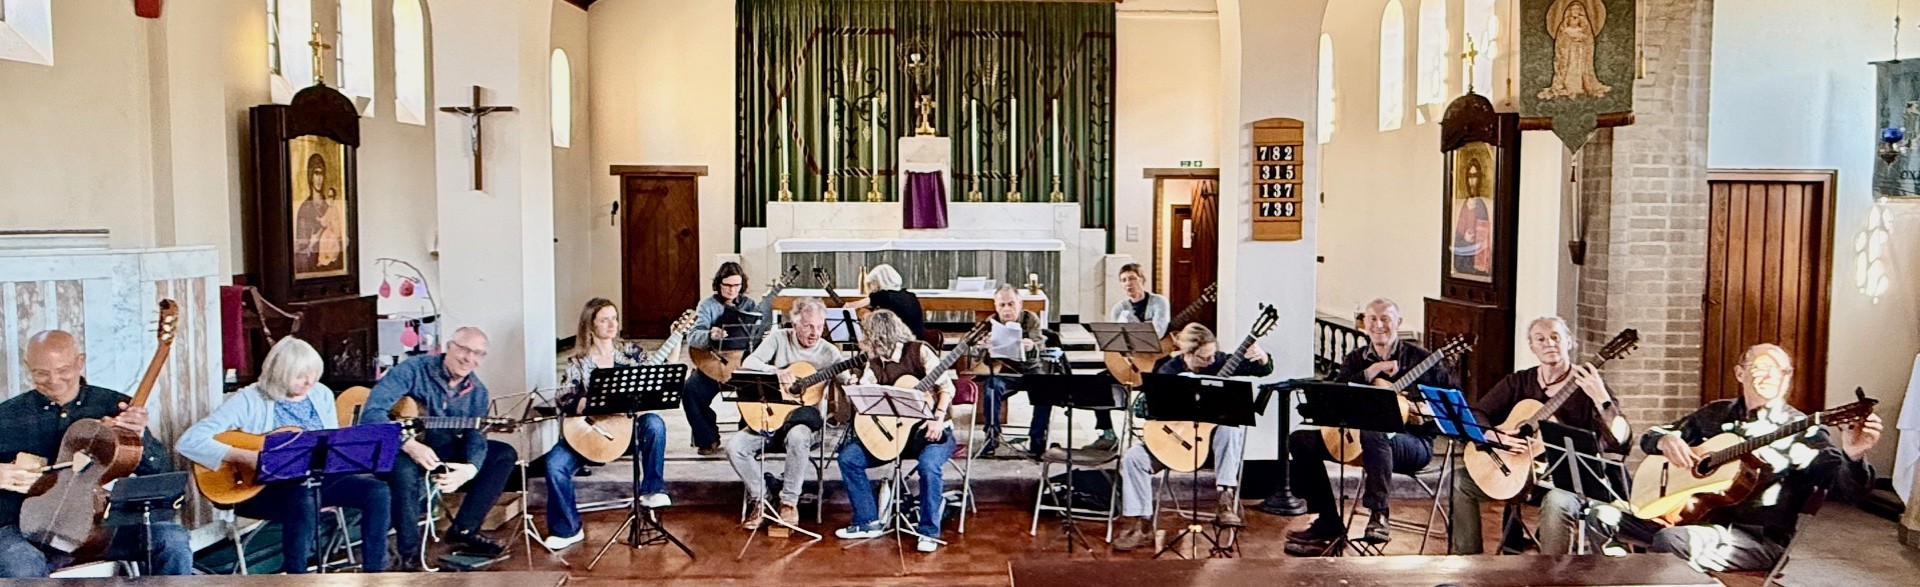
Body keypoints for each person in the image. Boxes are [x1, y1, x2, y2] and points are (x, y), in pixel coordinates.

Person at [1617, 344, 1882, 572]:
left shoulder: (1805, 431)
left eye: (1781, 370)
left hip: (1754, 539)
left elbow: (1845, 490)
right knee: (1602, 516)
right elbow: (1652, 435)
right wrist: (1664, 440)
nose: (1771, 375)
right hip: (1689, 520)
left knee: (1672, 540)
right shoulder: (1716, 413)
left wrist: (1854, 456)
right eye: (1761, 366)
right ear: (1740, 373)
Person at [178, 337, 395, 572]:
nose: (309, 381)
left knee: (377, 491)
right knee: (302, 499)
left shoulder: (320, 393)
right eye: (301, 376)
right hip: (262, 488)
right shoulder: (249, 399)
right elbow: (188, 441)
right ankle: (296, 577)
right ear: (279, 373)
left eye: (313, 373)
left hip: (315, 480)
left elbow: (331, 442)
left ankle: (375, 573)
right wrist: (245, 456)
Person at [0, 331, 193, 577]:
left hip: (104, 526)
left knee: (172, 541)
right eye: (41, 373)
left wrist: (138, 437)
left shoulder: (115, 405)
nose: (54, 380)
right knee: (19, 564)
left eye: (63, 370)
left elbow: (161, 473)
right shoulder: (6, 415)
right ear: (28, 366)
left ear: (80, 361)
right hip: (28, 530)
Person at [1278, 298, 1452, 551]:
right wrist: (1371, 372)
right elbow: (1333, 396)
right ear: (1364, 324)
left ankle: (1378, 515)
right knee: (1299, 440)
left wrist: (1420, 410)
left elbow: (1451, 405)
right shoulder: (1356, 359)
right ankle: (1327, 520)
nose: (1379, 325)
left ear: (1399, 323)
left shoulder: (1424, 360)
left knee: (1375, 433)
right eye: (1373, 319)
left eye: (1386, 319)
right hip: (1357, 441)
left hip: (1413, 443)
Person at [1448, 317, 1629, 555]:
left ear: (1569, 342)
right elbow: (1477, 412)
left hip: (1566, 481)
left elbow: (1620, 442)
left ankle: (1551, 577)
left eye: (1555, 337)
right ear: (1532, 347)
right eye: (1540, 339)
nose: (1549, 343)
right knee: (1460, 480)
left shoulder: (1589, 385)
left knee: (1557, 502)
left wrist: (1601, 398)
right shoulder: (1520, 381)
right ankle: (1468, 562)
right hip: (1518, 474)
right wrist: (1494, 436)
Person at [360, 326, 516, 563]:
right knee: (404, 471)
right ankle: (409, 554)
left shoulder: (477, 392)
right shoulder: (413, 370)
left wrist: (469, 469)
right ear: (448, 347)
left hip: (442, 446)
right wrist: (409, 444)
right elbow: (372, 412)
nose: (469, 359)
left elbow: (477, 435)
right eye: (464, 350)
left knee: (503, 454)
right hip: (400, 448)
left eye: (477, 354)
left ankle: (464, 530)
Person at [1111, 323, 1272, 551]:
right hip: (1177, 443)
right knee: (1132, 458)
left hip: (1211, 450)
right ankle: (1142, 524)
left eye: (1212, 354)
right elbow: (1145, 409)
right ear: (1187, 354)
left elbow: (1263, 370)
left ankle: (1226, 497)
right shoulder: (1167, 369)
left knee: (1230, 428)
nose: (1211, 361)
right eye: (1204, 358)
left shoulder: (1219, 361)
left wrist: (1263, 357)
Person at [539, 299, 672, 551]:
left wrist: (675, 339)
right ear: (590, 324)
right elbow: (564, 399)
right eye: (604, 319)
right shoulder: (578, 362)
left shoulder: (630, 353)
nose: (612, 324)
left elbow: (661, 372)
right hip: (589, 433)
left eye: (615, 318)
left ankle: (653, 489)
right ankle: (567, 529)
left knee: (654, 423)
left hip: (625, 430)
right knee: (554, 464)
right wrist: (594, 402)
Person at [834, 310, 957, 553]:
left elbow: (946, 386)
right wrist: (856, 390)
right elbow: (867, 397)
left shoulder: (919, 351)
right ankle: (867, 520)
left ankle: (929, 531)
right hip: (893, 435)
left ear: (879, 338)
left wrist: (937, 418)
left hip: (931, 432)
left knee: (928, 466)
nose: (862, 343)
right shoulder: (874, 361)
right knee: (849, 458)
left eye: (866, 337)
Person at [728, 297, 846, 537]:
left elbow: (846, 378)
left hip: (804, 423)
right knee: (734, 446)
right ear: (795, 324)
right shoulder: (778, 338)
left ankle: (788, 503)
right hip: (770, 419)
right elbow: (750, 362)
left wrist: (854, 380)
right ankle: (762, 499)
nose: (815, 333)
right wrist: (776, 371)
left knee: (798, 436)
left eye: (820, 326)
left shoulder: (828, 352)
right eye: (808, 326)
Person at [1082, 262, 1172, 453]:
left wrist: (1136, 335)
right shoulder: (1118, 308)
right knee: (1098, 382)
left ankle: (1158, 438)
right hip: (1130, 361)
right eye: (1123, 280)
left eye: (1132, 278)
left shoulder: (1159, 302)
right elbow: (1114, 340)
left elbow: (1158, 331)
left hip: (1155, 360)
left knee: (1163, 384)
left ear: (1142, 279)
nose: (1128, 283)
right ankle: (1106, 434)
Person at [684, 261, 759, 455]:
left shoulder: (749, 304)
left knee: (757, 390)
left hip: (740, 365)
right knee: (690, 390)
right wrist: (710, 334)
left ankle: (747, 439)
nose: (732, 290)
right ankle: (708, 439)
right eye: (727, 285)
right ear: (719, 284)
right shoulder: (707, 305)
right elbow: (692, 336)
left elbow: (758, 335)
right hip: (712, 363)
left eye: (736, 285)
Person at [976, 284, 1053, 458]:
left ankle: (1037, 439)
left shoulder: (1030, 318)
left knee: (1046, 389)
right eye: (1002, 305)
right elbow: (975, 356)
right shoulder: (991, 322)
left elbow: (1040, 342)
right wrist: (982, 347)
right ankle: (991, 437)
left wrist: (1032, 345)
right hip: (1003, 371)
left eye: (1011, 304)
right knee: (991, 388)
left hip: (1030, 370)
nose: (1007, 309)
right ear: (996, 306)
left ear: (1020, 303)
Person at [842, 264, 926, 339]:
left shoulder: (884, 295)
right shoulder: (910, 296)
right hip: (917, 338)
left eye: (872, 283)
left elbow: (855, 305)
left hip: (899, 340)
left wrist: (848, 306)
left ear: (878, 282)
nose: (871, 287)